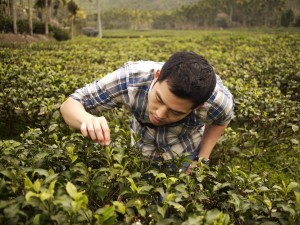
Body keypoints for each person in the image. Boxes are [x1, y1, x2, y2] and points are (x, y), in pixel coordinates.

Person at [60, 51, 234, 174]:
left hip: (185, 150)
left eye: (176, 112)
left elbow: (222, 120)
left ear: (198, 105)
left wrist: (201, 160)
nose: (160, 114)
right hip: (142, 150)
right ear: (157, 76)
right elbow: (70, 104)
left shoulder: (217, 102)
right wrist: (86, 119)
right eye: (159, 99)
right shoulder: (131, 78)